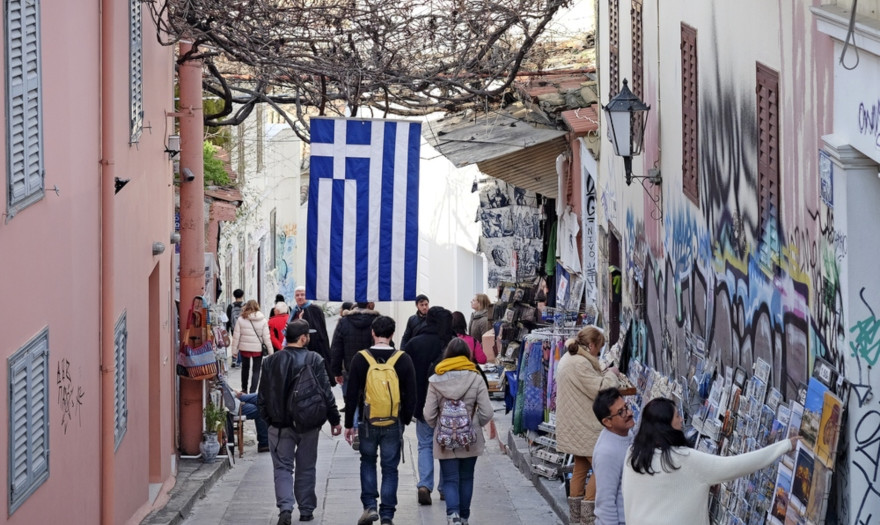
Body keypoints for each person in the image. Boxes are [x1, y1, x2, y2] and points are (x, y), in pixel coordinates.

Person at [622, 397, 797, 525]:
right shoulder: (683, 459)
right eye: (677, 416)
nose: (682, 419)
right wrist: (786, 445)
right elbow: (737, 465)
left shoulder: (632, 455)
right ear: (665, 426)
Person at [258, 319, 342, 524]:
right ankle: (306, 509)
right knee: (306, 466)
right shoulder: (314, 359)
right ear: (303, 338)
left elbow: (262, 397)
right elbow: (326, 393)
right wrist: (334, 419)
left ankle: (285, 508)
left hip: (279, 425)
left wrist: (269, 419)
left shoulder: (270, 361)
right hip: (308, 423)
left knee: (282, 467)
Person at [343, 316, 417, 525]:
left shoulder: (361, 358)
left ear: (373, 333)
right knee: (390, 467)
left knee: (367, 461)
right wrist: (405, 419)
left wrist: (349, 424)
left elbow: (351, 394)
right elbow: (412, 393)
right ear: (392, 334)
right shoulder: (403, 358)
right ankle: (387, 515)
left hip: (368, 420)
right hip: (393, 420)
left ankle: (369, 507)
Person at [423, 338, 494, 525]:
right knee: (467, 477)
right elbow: (487, 412)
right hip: (470, 439)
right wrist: (473, 424)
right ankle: (464, 517)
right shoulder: (476, 378)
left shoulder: (435, 380)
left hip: (445, 440)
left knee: (450, 478)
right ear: (467, 355)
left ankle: (452, 515)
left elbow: (428, 414)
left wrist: (441, 427)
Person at [555, 325, 622, 523]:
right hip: (585, 425)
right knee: (601, 469)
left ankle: (576, 519)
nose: (598, 353)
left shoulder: (570, 358)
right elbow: (601, 389)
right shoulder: (579, 363)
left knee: (580, 467)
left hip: (574, 424)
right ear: (591, 345)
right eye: (598, 349)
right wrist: (612, 373)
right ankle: (588, 518)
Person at [403, 306, 454, 506]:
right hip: (449, 403)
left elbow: (405, 376)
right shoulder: (451, 344)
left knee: (424, 444)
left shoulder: (414, 343)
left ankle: (424, 485)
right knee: (447, 445)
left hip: (422, 402)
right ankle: (445, 488)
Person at [591, 388, 635, 525]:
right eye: (621, 412)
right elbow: (605, 503)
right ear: (607, 422)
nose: (629, 413)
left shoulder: (626, 433)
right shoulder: (606, 453)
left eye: (626, 407)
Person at [331, 302, 381, 399]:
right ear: (369, 304)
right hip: (374, 371)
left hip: (350, 370)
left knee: (352, 401)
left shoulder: (344, 322)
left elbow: (336, 348)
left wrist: (336, 372)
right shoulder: (378, 321)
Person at [289, 286, 333, 383]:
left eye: (302, 295)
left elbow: (319, 333)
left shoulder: (315, 309)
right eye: (297, 295)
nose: (300, 297)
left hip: (313, 350)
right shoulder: (295, 310)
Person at [230, 299, 272, 393]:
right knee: (256, 370)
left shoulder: (241, 319)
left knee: (245, 368)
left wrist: (234, 351)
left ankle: (244, 389)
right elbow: (266, 338)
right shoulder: (263, 320)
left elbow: (236, 336)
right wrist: (271, 352)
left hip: (244, 348)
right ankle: (253, 391)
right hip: (258, 349)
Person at [226, 289, 245, 368]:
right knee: (241, 343)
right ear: (242, 295)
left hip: (234, 328)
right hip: (244, 327)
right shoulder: (245, 305)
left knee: (235, 343)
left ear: (234, 296)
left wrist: (227, 330)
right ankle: (239, 361)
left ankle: (234, 359)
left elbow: (228, 319)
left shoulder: (230, 306)